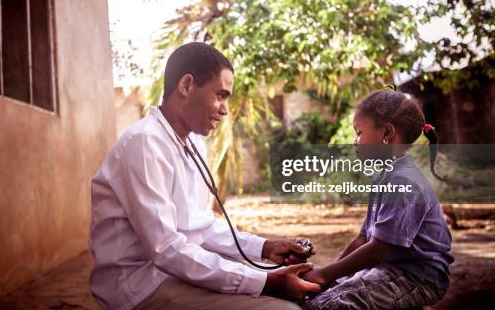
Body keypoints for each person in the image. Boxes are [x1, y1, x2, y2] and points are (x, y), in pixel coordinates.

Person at [90, 42, 321, 310]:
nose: (224, 109)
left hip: (173, 270)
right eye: (220, 96)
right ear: (187, 85)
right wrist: (268, 282)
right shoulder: (144, 143)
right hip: (140, 285)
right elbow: (166, 249)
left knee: (301, 291)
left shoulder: (192, 143)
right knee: (284, 308)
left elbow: (200, 227)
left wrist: (265, 248)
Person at [301, 90, 454, 310]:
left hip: (417, 276)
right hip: (388, 269)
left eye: (359, 133)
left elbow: (381, 248)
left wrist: (324, 275)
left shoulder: (403, 182)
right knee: (319, 294)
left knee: (325, 306)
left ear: (387, 133)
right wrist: (329, 276)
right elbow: (364, 238)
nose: (355, 142)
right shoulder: (387, 176)